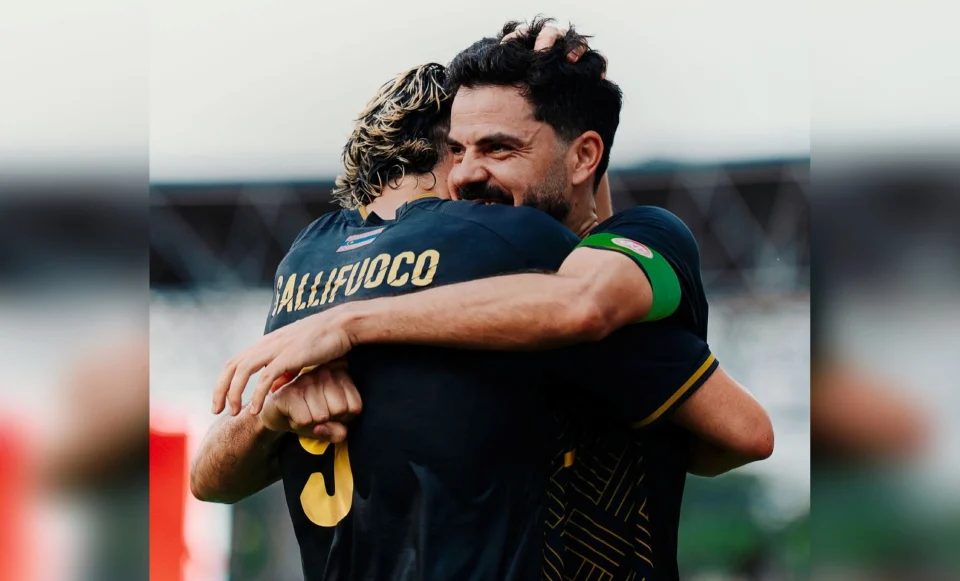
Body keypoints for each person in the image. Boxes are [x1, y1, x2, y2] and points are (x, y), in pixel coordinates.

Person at [204, 19, 772, 581]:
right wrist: (272, 412)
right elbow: (207, 478)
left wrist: (349, 321)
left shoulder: (640, 239)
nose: (467, 178)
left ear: (584, 156)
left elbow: (585, 299)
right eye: (457, 151)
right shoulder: (442, 299)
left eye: (499, 148)